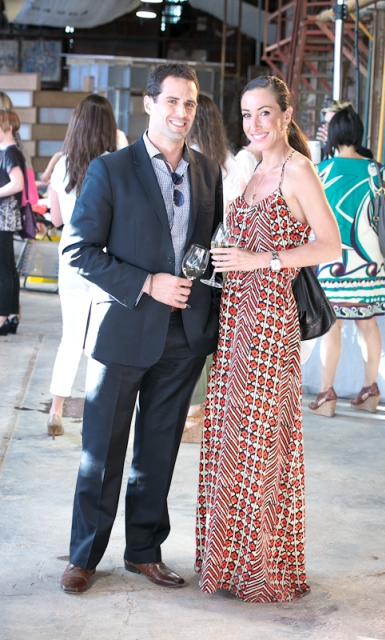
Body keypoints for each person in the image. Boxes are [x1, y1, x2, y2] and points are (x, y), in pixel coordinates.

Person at [59, 62, 223, 594]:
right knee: (101, 451)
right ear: (149, 103)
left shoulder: (207, 171)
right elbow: (78, 250)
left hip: (184, 336)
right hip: (125, 329)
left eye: (189, 103)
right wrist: (147, 282)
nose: (181, 113)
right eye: (171, 101)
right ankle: (84, 556)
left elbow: (210, 248)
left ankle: (144, 552)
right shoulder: (111, 169)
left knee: (158, 451)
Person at [195, 75, 341, 602]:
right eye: (246, 114)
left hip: (269, 323)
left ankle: (263, 567)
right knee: (230, 437)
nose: (254, 123)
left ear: (285, 114)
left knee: (261, 443)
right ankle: (229, 563)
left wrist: (264, 260)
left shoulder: (298, 170)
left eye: (264, 112)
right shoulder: (252, 169)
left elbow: (330, 246)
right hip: (235, 318)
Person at [308, 108, 385, 418]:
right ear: (360, 134)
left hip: (334, 259)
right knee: (368, 324)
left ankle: (326, 394)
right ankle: (370, 389)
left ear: (332, 136)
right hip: (370, 261)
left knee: (332, 326)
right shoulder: (376, 170)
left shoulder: (321, 171)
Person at [47, 95, 118, 439]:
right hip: (104, 257)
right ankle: (96, 414)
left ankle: (56, 409)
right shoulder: (113, 163)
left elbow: (56, 219)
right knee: (101, 339)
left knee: (71, 336)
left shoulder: (62, 164)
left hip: (70, 255)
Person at [185, 94, 240, 433]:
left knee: (190, 332)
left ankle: (192, 409)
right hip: (228, 260)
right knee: (213, 332)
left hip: (193, 259)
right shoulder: (231, 162)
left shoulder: (187, 158)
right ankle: (204, 408)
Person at [0, 109, 26, 336]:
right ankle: (9, 315)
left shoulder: (9, 151)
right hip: (6, 216)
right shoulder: (9, 151)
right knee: (8, 267)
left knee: (3, 269)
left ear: (7, 127)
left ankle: (3, 317)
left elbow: (17, 183)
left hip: (4, 217)